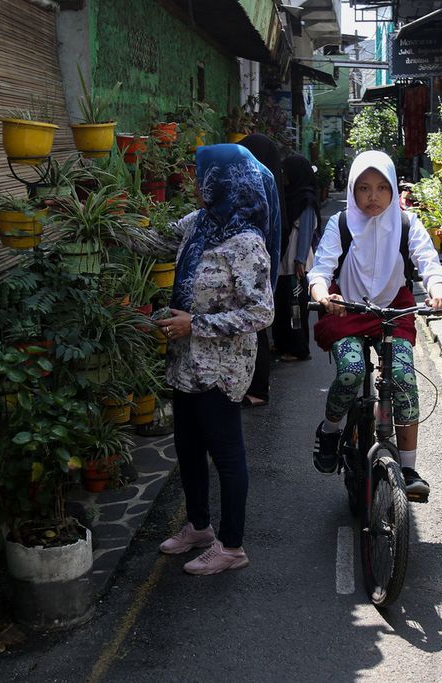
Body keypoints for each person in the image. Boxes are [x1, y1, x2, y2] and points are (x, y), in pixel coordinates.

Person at [156, 144, 275, 575]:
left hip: (221, 369)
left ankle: (232, 546)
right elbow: (155, 241)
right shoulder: (201, 223)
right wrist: (94, 219)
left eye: (202, 174)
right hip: (185, 361)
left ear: (223, 180)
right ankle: (199, 526)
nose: (195, 182)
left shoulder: (246, 242)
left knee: (226, 455)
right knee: (187, 447)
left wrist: (196, 325)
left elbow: (261, 312)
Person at [308, 150, 442, 499]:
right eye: (363, 188)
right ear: (352, 190)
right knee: (350, 371)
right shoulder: (341, 223)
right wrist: (322, 294)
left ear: (392, 190)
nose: (372, 197)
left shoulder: (407, 223)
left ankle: (408, 466)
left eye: (381, 188)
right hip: (349, 310)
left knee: (403, 380)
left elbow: (429, 263)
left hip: (393, 311)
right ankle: (329, 430)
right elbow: (321, 268)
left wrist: (439, 290)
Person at [239, 133, 285, 407]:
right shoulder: (272, 185)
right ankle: (256, 386)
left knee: (256, 324)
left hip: (258, 262)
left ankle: (257, 388)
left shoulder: (259, 188)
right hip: (268, 261)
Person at [274, 153, 321, 361]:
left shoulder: (305, 199)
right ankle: (284, 345)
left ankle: (299, 349)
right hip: (286, 260)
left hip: (297, 263)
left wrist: (300, 259)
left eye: (286, 171)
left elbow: (307, 231)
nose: (283, 176)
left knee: (296, 306)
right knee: (283, 303)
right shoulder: (290, 195)